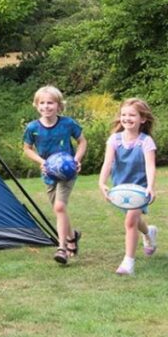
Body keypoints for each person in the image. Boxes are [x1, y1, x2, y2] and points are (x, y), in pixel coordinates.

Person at [23, 86, 87, 264]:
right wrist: (41, 162)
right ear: (36, 105)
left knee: (59, 207)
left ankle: (62, 248)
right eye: (42, 103)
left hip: (67, 172)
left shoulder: (68, 124)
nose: (46, 106)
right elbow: (27, 149)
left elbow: (82, 141)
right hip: (49, 173)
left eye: (50, 103)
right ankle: (72, 236)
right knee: (60, 210)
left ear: (59, 105)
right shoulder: (32, 128)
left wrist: (76, 159)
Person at [98, 97, 158, 276]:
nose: (127, 118)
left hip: (139, 188)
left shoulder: (145, 141)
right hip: (121, 188)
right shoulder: (114, 140)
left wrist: (151, 186)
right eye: (124, 114)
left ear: (143, 119)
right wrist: (101, 182)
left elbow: (150, 165)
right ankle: (149, 233)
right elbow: (107, 163)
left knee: (130, 221)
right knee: (135, 221)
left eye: (132, 115)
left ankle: (128, 263)